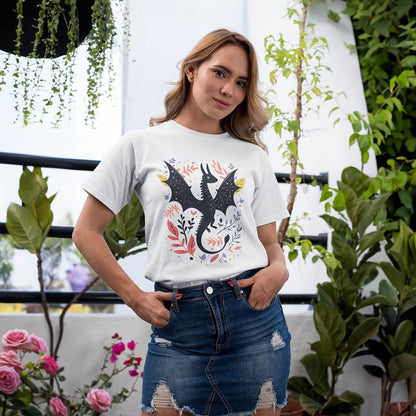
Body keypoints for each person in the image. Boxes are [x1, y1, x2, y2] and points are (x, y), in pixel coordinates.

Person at [73, 28, 291, 416]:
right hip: (179, 323)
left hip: (253, 320)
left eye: (241, 83)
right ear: (192, 70)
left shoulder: (252, 156)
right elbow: (86, 232)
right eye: (220, 73)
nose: (229, 90)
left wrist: (279, 270)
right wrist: (134, 297)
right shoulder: (140, 144)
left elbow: (270, 243)